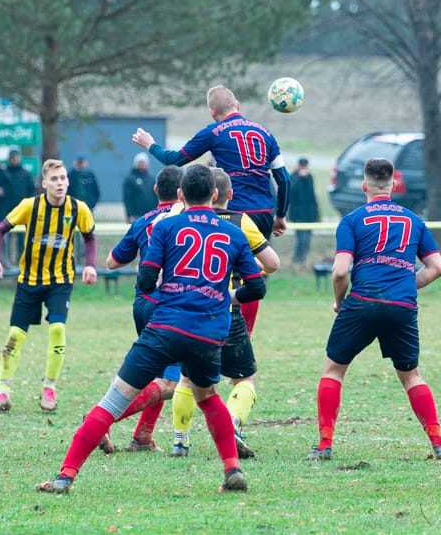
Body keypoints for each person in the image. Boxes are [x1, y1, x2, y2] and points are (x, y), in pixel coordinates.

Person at [37, 165, 267, 494]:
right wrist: (227, 294)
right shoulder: (234, 233)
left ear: (181, 195)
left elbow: (145, 279)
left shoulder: (166, 226)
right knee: (207, 397)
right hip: (209, 333)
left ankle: (65, 477)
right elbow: (257, 287)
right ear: (215, 195)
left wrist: (167, 287)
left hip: (167, 326)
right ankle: (232, 471)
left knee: (113, 401)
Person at [306, 158, 441, 462]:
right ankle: (439, 443)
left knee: (334, 370)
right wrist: (404, 286)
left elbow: (340, 272)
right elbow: (437, 268)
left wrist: (340, 301)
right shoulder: (414, 220)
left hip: (362, 302)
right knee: (412, 376)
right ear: (393, 186)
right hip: (402, 306)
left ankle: (325, 446)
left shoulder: (352, 220)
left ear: (364, 186)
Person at [132, 84, 291, 335]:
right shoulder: (265, 133)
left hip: (231, 213)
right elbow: (283, 179)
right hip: (261, 214)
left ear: (212, 112)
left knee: (217, 271)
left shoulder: (214, 132)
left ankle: (214, 333)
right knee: (250, 276)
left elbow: (175, 159)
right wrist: (279, 215)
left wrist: (151, 144)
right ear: (237, 106)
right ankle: (244, 336)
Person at [166, 168, 281, 458]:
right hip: (225, 310)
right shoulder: (240, 221)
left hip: (185, 310)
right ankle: (232, 423)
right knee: (245, 377)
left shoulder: (178, 219)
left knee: (187, 378)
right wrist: (244, 268)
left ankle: (180, 439)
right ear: (227, 195)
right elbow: (273, 263)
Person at [0, 159, 97, 413]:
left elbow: (89, 236)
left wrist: (89, 265)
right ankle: (3, 392)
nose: (60, 183)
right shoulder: (29, 206)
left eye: (63, 178)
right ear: (44, 183)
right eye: (54, 179)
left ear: (68, 181)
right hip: (29, 281)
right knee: (14, 336)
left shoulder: (78, 209)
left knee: (57, 329)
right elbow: (0, 230)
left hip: (60, 280)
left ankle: (49, 388)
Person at [102, 165, 185, 453]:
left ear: (154, 191)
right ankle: (101, 421)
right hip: (167, 305)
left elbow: (112, 262)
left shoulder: (143, 222)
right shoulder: (186, 219)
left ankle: (142, 437)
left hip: (142, 302)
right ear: (181, 192)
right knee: (170, 382)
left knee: (155, 373)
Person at [2, 149, 37, 267]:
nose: (14, 160)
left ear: (19, 158)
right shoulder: (4, 174)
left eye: (15, 157)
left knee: (22, 239)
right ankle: (7, 263)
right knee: (6, 239)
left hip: (23, 212)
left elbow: (31, 191)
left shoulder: (25, 174)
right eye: (12, 158)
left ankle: (21, 262)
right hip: (7, 211)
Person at [68, 154, 100, 261]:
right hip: (73, 209)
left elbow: (96, 191)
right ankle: (73, 254)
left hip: (88, 209)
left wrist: (92, 204)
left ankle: (85, 254)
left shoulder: (90, 175)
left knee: (88, 233)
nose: (80, 164)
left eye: (82, 162)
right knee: (73, 233)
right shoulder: (70, 175)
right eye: (78, 162)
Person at [288, 157, 319, 266]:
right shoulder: (293, 177)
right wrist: (300, 178)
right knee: (301, 239)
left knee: (307, 240)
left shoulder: (310, 177)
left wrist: (317, 214)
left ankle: (303, 259)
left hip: (309, 215)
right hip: (298, 215)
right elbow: (291, 193)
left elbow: (312, 196)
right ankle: (296, 259)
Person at [123, 152, 158, 223]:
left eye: (143, 162)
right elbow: (127, 198)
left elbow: (155, 196)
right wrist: (130, 214)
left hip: (150, 214)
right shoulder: (130, 179)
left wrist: (156, 212)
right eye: (140, 162)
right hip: (136, 215)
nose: (142, 164)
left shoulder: (151, 178)